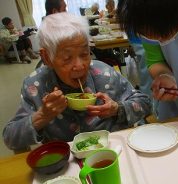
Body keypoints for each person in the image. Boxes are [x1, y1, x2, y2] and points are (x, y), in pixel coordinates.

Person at [2, 12, 152, 151]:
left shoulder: (104, 74)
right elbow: (10, 138)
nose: (80, 65)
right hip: (66, 162)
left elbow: (145, 103)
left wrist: (117, 109)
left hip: (113, 151)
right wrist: (43, 116)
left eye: (84, 54)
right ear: (47, 57)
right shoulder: (35, 85)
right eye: (67, 58)